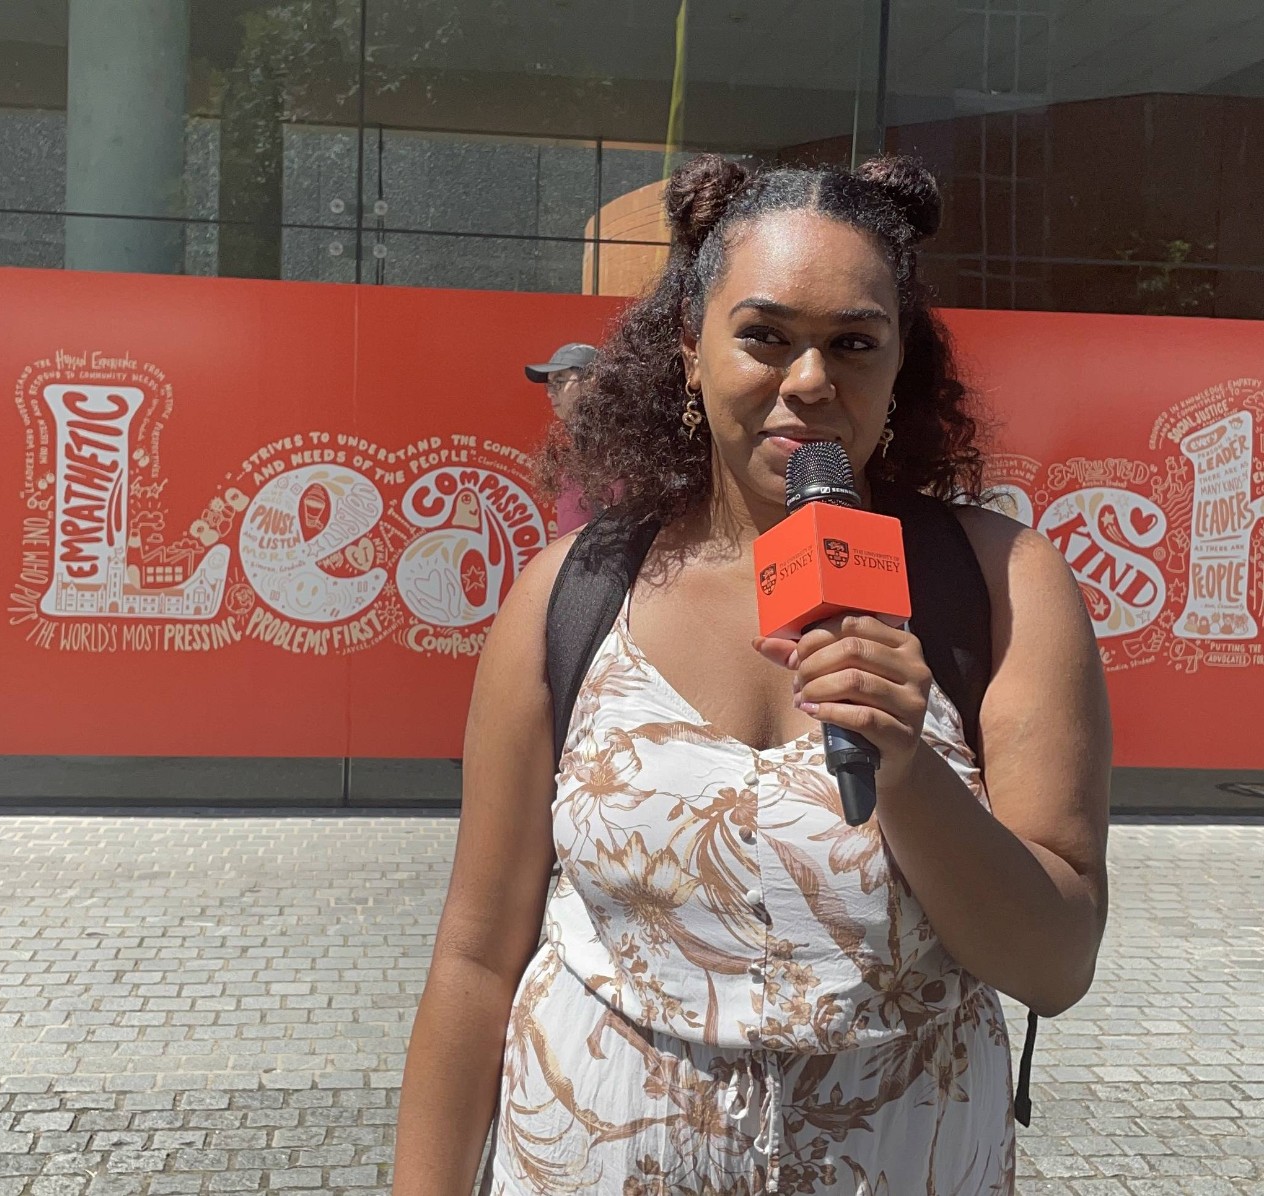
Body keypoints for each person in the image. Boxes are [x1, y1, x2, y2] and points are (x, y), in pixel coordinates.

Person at [393, 154, 1110, 1195]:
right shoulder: (570, 593)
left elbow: (1053, 962)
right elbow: (472, 960)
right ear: (689, 347)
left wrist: (907, 768)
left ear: (899, 362)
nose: (809, 381)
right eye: (764, 336)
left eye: (851, 343)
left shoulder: (1002, 585)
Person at [524, 342, 597, 535]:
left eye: (559, 382)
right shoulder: (576, 449)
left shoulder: (621, 449)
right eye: (549, 385)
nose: (550, 393)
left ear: (592, 381)